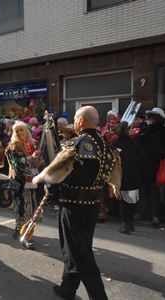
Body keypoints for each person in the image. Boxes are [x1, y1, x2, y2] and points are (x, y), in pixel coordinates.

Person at [34, 106, 121, 300]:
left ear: (80, 121)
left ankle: (99, 296)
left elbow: (57, 175)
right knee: (76, 247)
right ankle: (68, 288)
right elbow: (111, 173)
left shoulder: (74, 144)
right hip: (92, 206)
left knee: (80, 252)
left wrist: (50, 188)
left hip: (72, 205)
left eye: (75, 118)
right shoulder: (106, 147)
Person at [5, 121, 43, 249]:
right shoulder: (12, 147)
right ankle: (25, 235)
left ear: (27, 131)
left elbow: (35, 163)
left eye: (22, 130)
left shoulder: (32, 144)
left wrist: (39, 161)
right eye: (17, 131)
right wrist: (31, 158)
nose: (20, 133)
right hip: (18, 181)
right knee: (22, 208)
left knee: (31, 208)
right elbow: (17, 164)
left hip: (32, 181)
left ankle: (21, 231)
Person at [138, 107, 165, 227]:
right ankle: (143, 212)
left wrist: (158, 154)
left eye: (153, 118)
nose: (151, 121)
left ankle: (155, 215)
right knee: (143, 191)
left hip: (157, 166)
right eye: (150, 118)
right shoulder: (145, 131)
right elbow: (139, 145)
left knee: (154, 191)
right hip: (144, 166)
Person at [113, 122, 147, 234]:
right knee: (132, 199)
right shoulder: (135, 143)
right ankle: (130, 222)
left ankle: (125, 223)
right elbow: (142, 158)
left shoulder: (116, 143)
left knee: (123, 200)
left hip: (121, 174)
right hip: (133, 174)